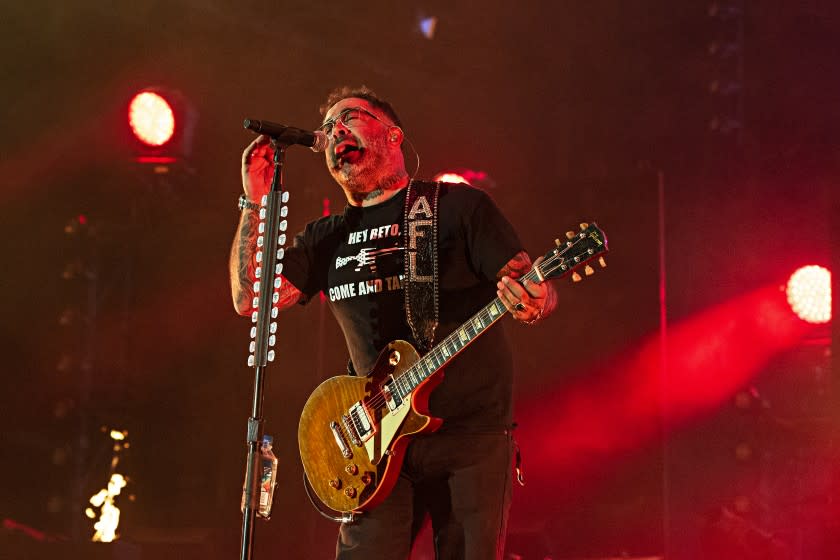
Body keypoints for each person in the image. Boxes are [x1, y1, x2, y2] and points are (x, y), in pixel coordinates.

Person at [229, 86, 557, 559]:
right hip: (374, 444)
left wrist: (535, 298)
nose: (335, 131)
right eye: (327, 129)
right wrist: (256, 199)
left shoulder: (458, 209)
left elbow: (527, 285)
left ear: (393, 134)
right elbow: (250, 298)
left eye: (352, 118)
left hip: (469, 435)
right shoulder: (327, 237)